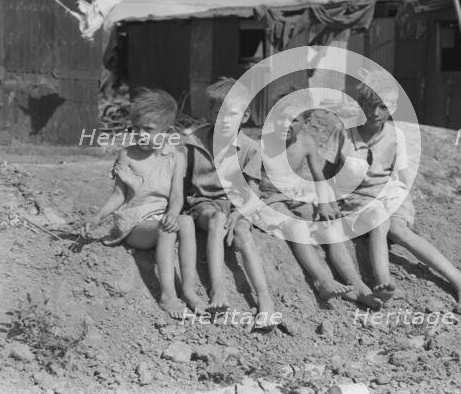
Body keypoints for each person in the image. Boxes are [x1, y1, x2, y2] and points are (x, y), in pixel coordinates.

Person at [325, 73, 461, 311]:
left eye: (382, 107)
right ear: (360, 103)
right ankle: (382, 283)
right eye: (369, 105)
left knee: (397, 228)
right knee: (377, 216)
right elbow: (325, 175)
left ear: (392, 108)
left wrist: (402, 205)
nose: (375, 113)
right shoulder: (343, 134)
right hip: (356, 201)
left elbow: (403, 179)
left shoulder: (396, 137)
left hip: (390, 195)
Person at [84, 88, 204, 319]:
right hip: (135, 222)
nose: (140, 134)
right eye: (136, 128)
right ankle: (168, 295)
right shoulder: (127, 155)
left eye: (148, 130)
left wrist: (172, 212)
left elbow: (177, 195)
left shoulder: (175, 157)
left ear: (166, 131)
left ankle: (189, 291)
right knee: (166, 230)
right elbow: (119, 195)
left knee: (186, 221)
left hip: (159, 215)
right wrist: (98, 215)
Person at [255, 89, 381, 308]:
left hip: (297, 198)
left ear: (305, 122)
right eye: (280, 118)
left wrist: (324, 203)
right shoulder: (261, 144)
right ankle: (321, 280)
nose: (286, 125)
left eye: (294, 120)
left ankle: (355, 283)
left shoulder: (306, 143)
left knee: (331, 227)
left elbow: (319, 177)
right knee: (298, 227)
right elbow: (251, 183)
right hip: (271, 200)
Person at [184, 78, 275, 326]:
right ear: (211, 113)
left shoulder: (249, 148)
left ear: (245, 117)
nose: (224, 119)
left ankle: (264, 298)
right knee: (218, 219)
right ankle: (218, 289)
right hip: (203, 204)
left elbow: (253, 192)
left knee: (243, 234)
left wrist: (242, 213)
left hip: (236, 204)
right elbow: (181, 181)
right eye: (218, 112)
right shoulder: (194, 141)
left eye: (231, 114)